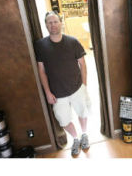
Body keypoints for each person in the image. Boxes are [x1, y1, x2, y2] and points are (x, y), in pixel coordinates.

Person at [34, 11, 91, 156]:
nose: (53, 25)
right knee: (63, 120)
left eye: (55, 21)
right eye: (49, 22)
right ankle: (75, 138)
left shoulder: (73, 42)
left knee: (83, 113)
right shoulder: (40, 45)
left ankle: (84, 134)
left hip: (77, 88)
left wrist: (84, 85)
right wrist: (47, 92)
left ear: (61, 23)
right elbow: (41, 71)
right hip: (57, 93)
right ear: (46, 25)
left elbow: (83, 64)